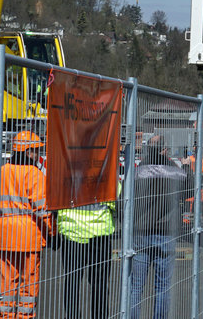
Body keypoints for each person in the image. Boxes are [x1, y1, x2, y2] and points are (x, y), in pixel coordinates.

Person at [129, 136, 191, 319]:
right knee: (163, 286)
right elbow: (189, 188)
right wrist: (186, 165)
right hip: (166, 232)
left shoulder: (139, 170)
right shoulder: (174, 170)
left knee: (136, 287)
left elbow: (126, 198)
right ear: (164, 150)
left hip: (141, 231)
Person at [0, 130, 55, 319]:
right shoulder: (34, 174)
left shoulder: (3, 171)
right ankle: (25, 317)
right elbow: (43, 209)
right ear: (26, 151)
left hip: (5, 237)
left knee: (6, 283)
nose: (37, 155)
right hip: (28, 237)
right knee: (29, 284)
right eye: (35, 150)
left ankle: (5, 317)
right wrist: (53, 232)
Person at [56, 198, 116, 319]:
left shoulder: (65, 177)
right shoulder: (106, 177)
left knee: (72, 282)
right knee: (100, 283)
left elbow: (57, 195)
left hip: (72, 230)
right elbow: (115, 195)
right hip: (99, 229)